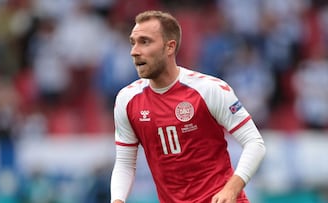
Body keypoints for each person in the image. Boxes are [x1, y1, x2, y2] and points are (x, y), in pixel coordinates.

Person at [110, 10, 266, 203]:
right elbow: (125, 163)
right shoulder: (127, 100)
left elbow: (255, 143)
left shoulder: (209, 89)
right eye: (133, 42)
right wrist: (117, 200)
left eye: (145, 41)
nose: (134, 51)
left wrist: (231, 189)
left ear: (169, 47)